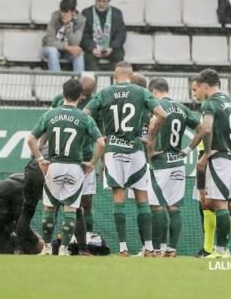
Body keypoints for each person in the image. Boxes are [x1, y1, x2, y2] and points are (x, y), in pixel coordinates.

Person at [84, 61, 167, 257]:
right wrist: (151, 137)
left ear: (114, 75)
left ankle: (122, 248)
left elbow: (85, 115)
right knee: (142, 199)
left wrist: (97, 135)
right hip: (136, 149)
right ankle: (149, 247)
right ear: (131, 75)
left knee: (118, 200)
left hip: (114, 150)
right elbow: (161, 114)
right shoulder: (140, 91)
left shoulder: (105, 93)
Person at [27, 78, 105, 256]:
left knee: (49, 208)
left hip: (54, 165)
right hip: (74, 167)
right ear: (80, 97)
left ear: (63, 94)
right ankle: (64, 249)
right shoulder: (84, 117)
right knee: (71, 209)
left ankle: (46, 247)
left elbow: (31, 139)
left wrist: (40, 158)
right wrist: (92, 163)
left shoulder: (51, 114)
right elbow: (100, 142)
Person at [193, 69, 231, 259]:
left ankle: (220, 251)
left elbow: (208, 128)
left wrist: (207, 153)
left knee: (220, 205)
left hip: (219, 159)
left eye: (196, 89)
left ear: (204, 86)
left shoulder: (210, 104)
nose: (195, 94)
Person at [147, 78, 201, 258]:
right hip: (178, 162)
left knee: (156, 206)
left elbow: (152, 127)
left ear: (154, 91)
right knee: (174, 207)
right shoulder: (182, 108)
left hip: (161, 162)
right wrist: (188, 149)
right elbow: (203, 129)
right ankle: (171, 249)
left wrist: (150, 149)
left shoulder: (156, 106)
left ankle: (156, 249)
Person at [51, 75, 99, 253]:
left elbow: (101, 135)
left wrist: (95, 160)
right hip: (62, 158)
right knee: (56, 202)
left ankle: (88, 239)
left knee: (85, 203)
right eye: (83, 93)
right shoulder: (59, 100)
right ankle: (60, 240)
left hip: (85, 158)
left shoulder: (96, 103)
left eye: (89, 94)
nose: (85, 97)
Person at [80, 0, 126, 71]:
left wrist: (111, 47)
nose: (101, 4)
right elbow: (84, 34)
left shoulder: (117, 13)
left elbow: (121, 34)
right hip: (93, 48)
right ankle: (95, 83)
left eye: (104, 1)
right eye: (99, 1)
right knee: (89, 60)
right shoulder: (86, 13)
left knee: (118, 58)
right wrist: (92, 48)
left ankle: (114, 82)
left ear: (109, 1)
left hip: (111, 48)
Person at [41, 0, 85, 73]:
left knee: (79, 54)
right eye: (62, 11)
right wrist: (67, 47)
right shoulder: (55, 16)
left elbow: (75, 43)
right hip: (52, 48)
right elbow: (49, 40)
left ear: (73, 12)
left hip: (68, 52)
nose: (62, 14)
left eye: (66, 12)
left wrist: (68, 26)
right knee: (52, 51)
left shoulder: (81, 20)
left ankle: (78, 82)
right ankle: (57, 80)